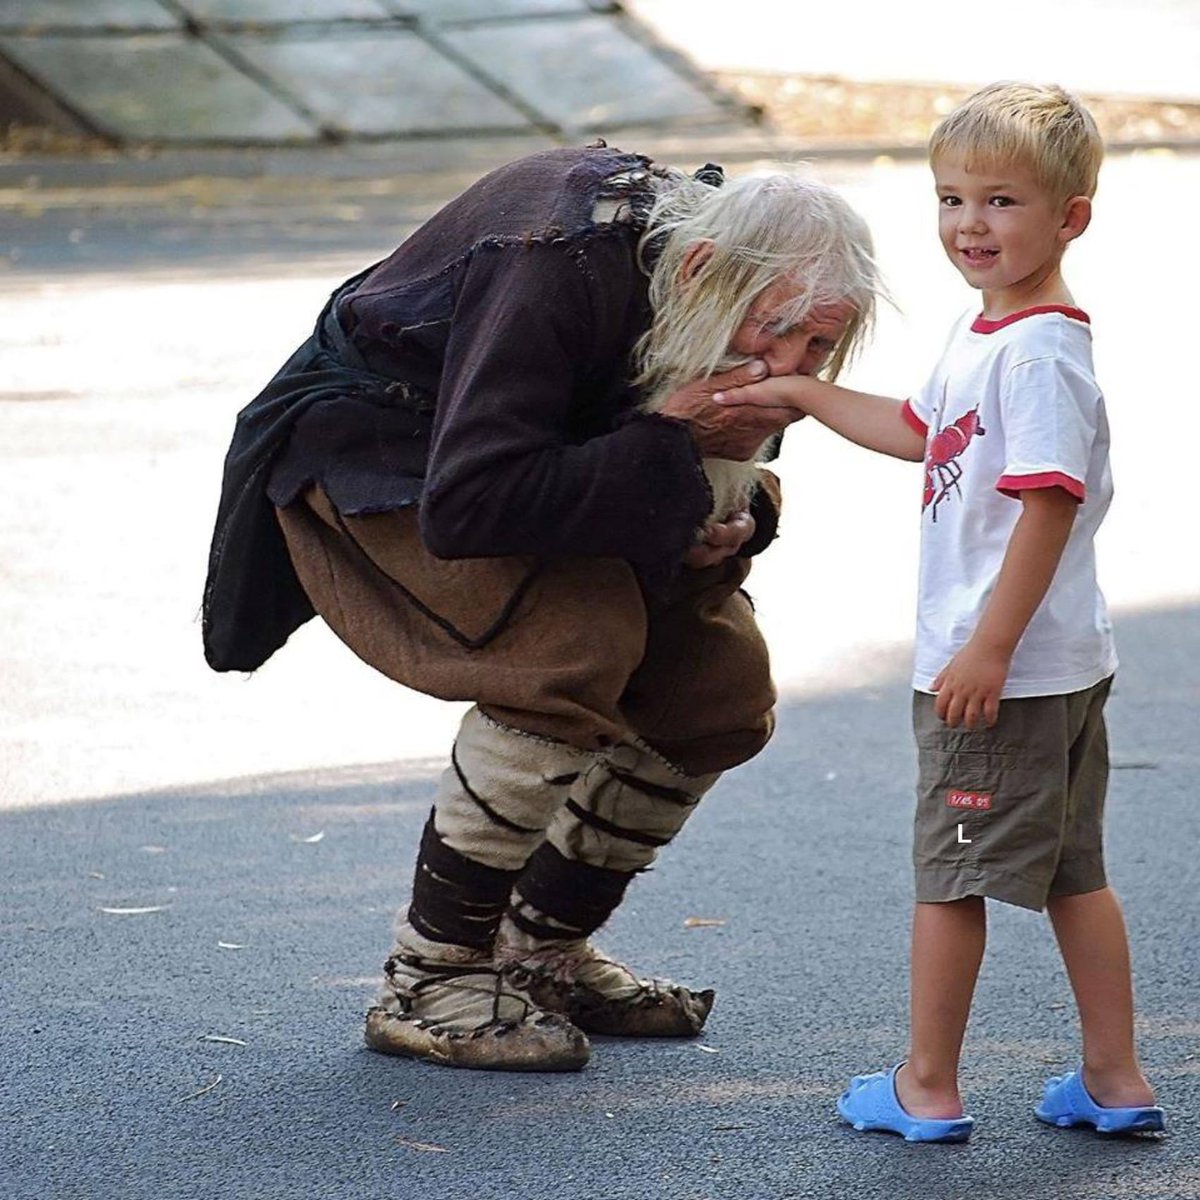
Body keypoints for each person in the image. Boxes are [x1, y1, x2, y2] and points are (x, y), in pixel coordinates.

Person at [202, 143, 879, 1071]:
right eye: (778, 333)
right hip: (389, 452)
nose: (790, 372)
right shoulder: (555, 257)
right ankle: (430, 978)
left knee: (717, 689)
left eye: (818, 346)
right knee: (569, 647)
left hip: (540, 460)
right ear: (699, 271)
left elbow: (689, 443)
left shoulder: (715, 284)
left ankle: (540, 954)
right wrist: (668, 456)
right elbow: (474, 501)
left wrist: (732, 514)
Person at [715, 83, 1164, 1139]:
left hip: (1002, 670)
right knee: (1071, 872)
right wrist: (806, 399)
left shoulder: (1040, 353)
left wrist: (986, 649)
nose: (970, 223)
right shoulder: (991, 332)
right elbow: (925, 430)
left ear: (1071, 219)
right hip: (1051, 667)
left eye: (1003, 201)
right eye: (952, 197)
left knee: (947, 880)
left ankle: (927, 1086)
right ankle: (1114, 1079)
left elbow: (1047, 502)